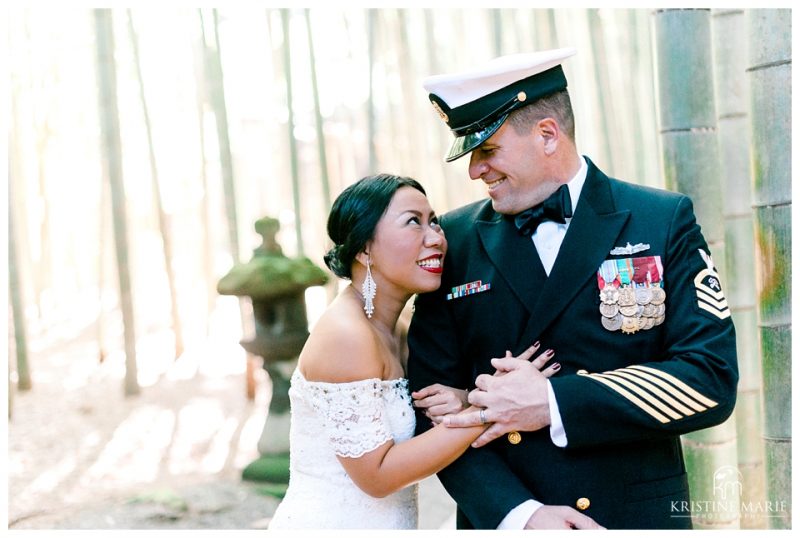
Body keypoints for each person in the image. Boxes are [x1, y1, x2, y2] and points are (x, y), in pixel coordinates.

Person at [407, 48, 738, 530]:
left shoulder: (661, 220)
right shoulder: (452, 240)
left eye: (487, 150)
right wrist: (520, 515)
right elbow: (429, 407)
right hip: (506, 519)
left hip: (632, 516)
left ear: (546, 135)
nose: (475, 171)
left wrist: (555, 402)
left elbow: (709, 379)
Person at [268, 173, 560, 529]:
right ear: (364, 248)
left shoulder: (398, 328)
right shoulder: (346, 336)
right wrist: (491, 406)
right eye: (413, 222)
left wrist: (464, 397)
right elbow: (377, 476)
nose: (436, 238)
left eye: (433, 222)